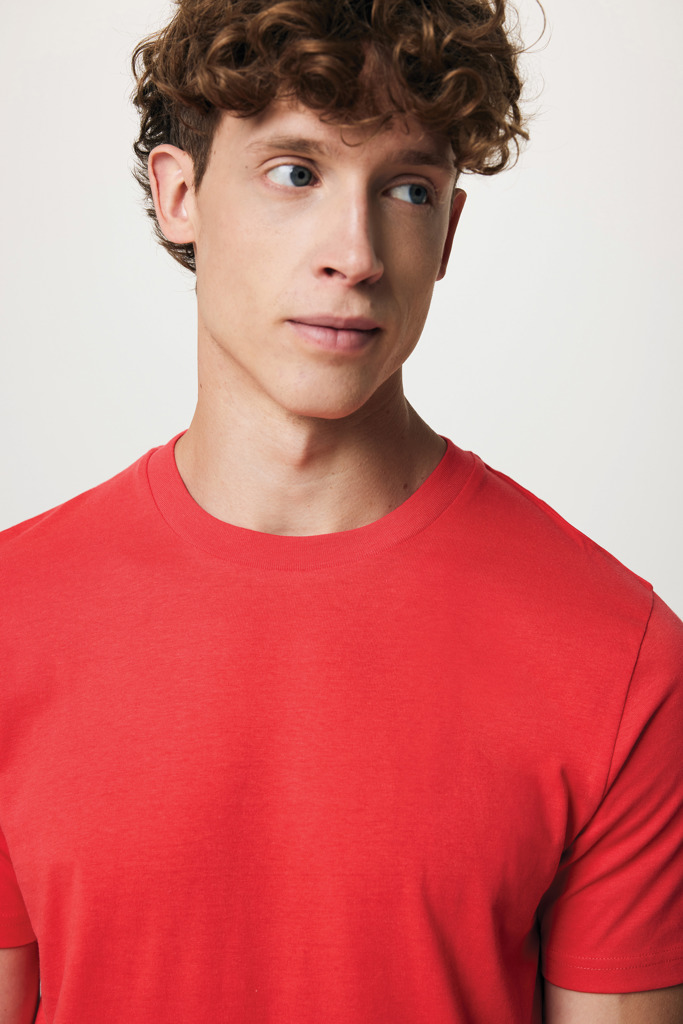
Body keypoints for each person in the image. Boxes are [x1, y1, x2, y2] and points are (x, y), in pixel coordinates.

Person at [1, 0, 681, 1020]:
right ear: (180, 195)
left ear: (446, 232)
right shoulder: (13, 618)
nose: (355, 254)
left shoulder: (616, 657)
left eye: (406, 188)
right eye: (295, 172)